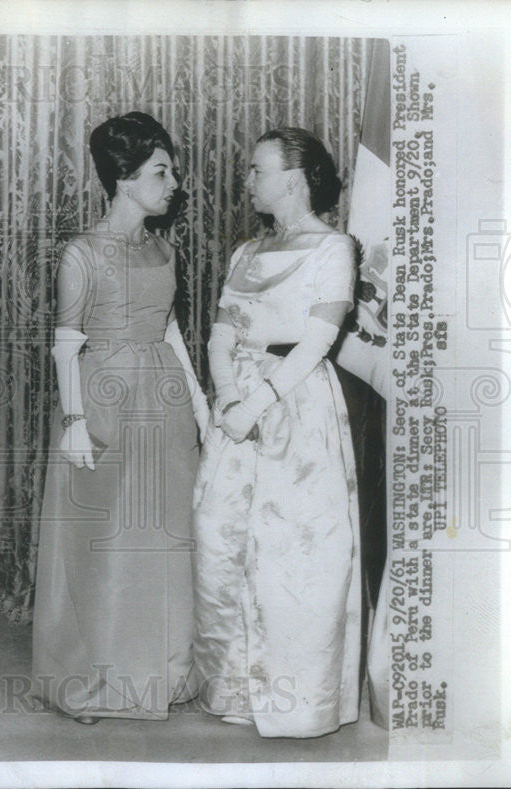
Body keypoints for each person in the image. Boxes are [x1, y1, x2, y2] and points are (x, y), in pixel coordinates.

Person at [32, 112, 210, 724]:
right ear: (125, 179)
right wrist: (74, 422)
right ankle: (98, 678)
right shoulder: (82, 252)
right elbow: (63, 343)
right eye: (161, 172)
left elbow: (172, 332)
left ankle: (160, 672)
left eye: (172, 171)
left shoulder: (165, 248)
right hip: (103, 399)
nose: (174, 184)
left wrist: (202, 408)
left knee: (162, 536)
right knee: (104, 543)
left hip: (163, 399)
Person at [191, 127, 360, 738]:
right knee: (222, 537)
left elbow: (318, 340)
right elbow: (219, 332)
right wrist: (230, 399)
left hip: (296, 404)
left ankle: (294, 700)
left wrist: (258, 401)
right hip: (237, 407)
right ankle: (234, 688)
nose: (248, 181)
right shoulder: (245, 252)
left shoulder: (334, 248)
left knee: (296, 554)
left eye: (257, 170)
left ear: (293, 179)